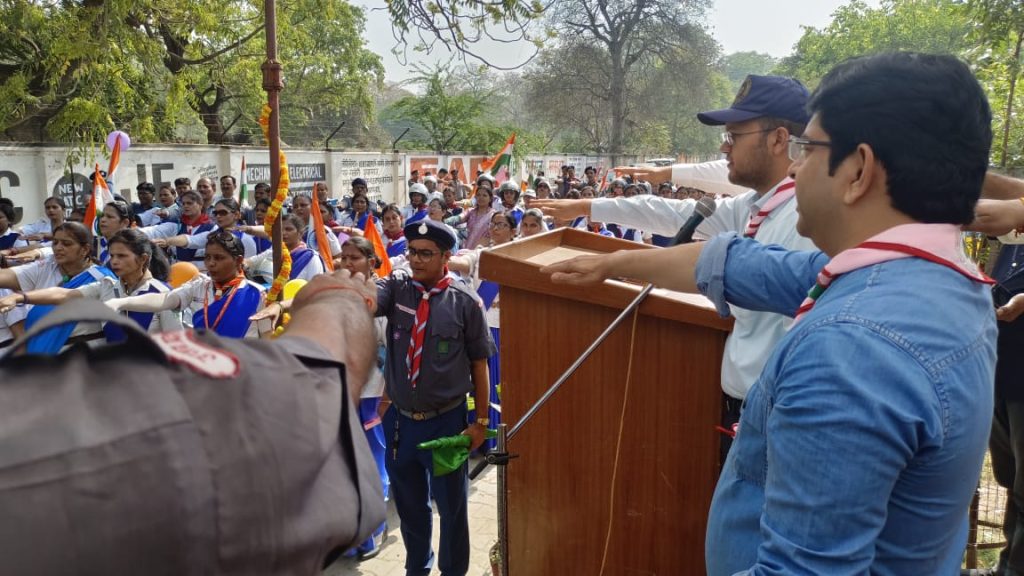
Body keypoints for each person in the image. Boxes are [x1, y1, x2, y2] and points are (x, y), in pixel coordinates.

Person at [542, 51, 996, 576]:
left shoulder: (851, 349)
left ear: (858, 170)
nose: (796, 167)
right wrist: (614, 263)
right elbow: (742, 265)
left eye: (809, 148)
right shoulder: (928, 280)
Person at [534, 74, 816, 460]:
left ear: (779, 140)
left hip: (776, 422)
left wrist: (617, 263)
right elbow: (674, 213)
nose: (724, 146)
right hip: (748, 413)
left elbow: (721, 266)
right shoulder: (755, 206)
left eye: (734, 136)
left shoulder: (805, 220)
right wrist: (589, 207)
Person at [375, 219, 494, 576]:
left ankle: (453, 570)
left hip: (446, 424)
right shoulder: (398, 290)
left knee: (451, 506)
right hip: (401, 423)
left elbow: (480, 364)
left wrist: (480, 422)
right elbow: (369, 299)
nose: (416, 259)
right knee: (410, 507)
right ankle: (417, 567)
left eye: (426, 254)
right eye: (412, 252)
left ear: (446, 257)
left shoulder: (465, 302)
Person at [0, 229, 181, 338]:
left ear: (143, 259)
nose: (114, 261)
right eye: (112, 255)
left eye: (122, 256)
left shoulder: (164, 295)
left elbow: (178, 343)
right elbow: (64, 294)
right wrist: (20, 297)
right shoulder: (107, 286)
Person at [109, 230, 266, 338]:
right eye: (207, 257)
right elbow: (164, 300)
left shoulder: (256, 294)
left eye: (219, 258)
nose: (211, 263)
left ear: (238, 260)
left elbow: (267, 338)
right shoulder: (199, 286)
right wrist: (121, 302)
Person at [449, 211, 516, 452]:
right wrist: (444, 260)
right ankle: (476, 433)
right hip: (482, 327)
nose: (495, 228)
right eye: (493, 224)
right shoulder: (481, 254)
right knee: (476, 382)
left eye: (501, 224)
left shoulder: (519, 255)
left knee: (497, 383)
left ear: (513, 230)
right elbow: (463, 263)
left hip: (505, 328)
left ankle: (495, 437)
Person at [0, 222, 114, 352]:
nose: (58, 248)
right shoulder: (46, 267)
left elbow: (64, 296)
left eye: (66, 244)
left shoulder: (101, 278)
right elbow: (5, 276)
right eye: (55, 242)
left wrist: (19, 297)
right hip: (44, 356)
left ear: (85, 249)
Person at [141, 191, 216, 270]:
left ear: (200, 205)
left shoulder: (212, 227)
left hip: (203, 272)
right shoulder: (177, 224)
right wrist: (134, 232)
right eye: (183, 204)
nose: (185, 206)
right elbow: (154, 231)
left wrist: (167, 241)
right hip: (177, 271)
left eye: (189, 203)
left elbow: (191, 240)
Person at [246, 214, 325, 284]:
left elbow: (316, 287)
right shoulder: (273, 252)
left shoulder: (310, 257)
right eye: (280, 230)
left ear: (300, 233)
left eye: (288, 229)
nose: (283, 233)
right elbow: (249, 263)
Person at [448, 185, 496, 250]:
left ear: (490, 199)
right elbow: (459, 218)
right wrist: (445, 221)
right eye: (478, 195)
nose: (481, 198)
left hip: (483, 250)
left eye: (484, 195)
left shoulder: (494, 215)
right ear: (475, 197)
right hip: (467, 248)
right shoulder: (470, 212)